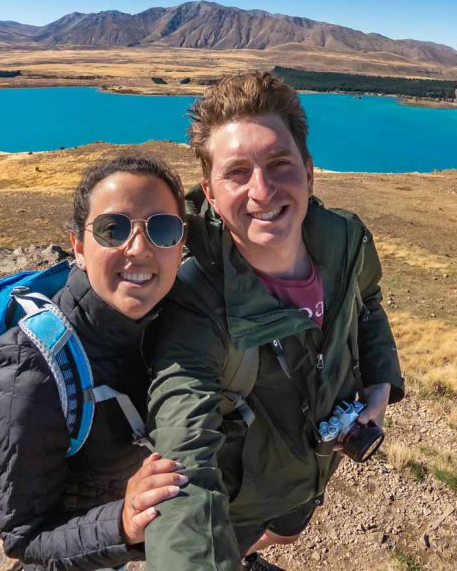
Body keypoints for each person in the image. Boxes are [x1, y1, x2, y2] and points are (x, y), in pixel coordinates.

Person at [146, 71, 406, 570]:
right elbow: (183, 457)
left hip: (310, 472)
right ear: (211, 193)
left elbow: (368, 299)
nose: (261, 191)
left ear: (309, 173)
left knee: (289, 531)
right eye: (237, 172)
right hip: (239, 498)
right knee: (235, 545)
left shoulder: (346, 241)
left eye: (279, 163)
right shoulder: (195, 305)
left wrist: (380, 383)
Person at [0, 154, 189, 570]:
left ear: (181, 245)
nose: (139, 247)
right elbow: (25, 536)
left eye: (162, 229)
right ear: (78, 246)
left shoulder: (179, 320)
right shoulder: (31, 368)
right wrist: (123, 524)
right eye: (113, 229)